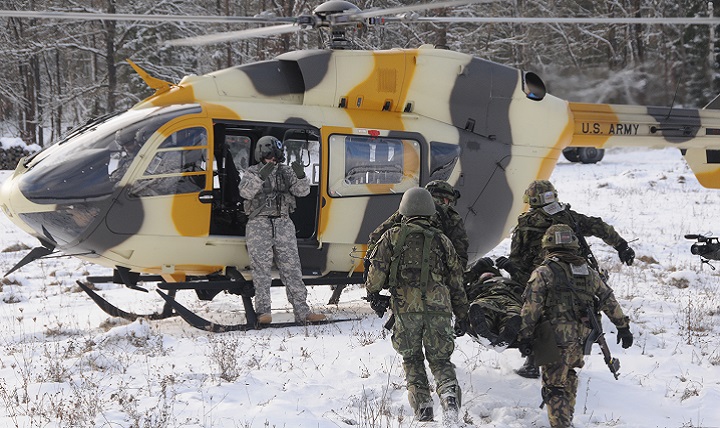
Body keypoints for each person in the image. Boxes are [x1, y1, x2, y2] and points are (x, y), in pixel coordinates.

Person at [499, 179, 635, 378]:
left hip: (543, 276)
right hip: (579, 274)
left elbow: (517, 258)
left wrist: (516, 273)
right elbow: (598, 226)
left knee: (536, 310)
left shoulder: (525, 224)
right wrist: (622, 246)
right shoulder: (568, 217)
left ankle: (532, 361)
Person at [365, 187, 469, 422]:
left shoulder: (392, 236)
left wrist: (373, 294)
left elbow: (376, 275)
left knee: (411, 358)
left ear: (404, 208)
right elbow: (457, 281)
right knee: (441, 360)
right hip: (439, 309)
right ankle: (449, 396)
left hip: (405, 309)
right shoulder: (443, 240)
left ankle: (423, 405)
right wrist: (462, 314)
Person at [516, 224, 633, 428]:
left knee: (553, 386)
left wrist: (524, 336)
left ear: (548, 245)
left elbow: (531, 306)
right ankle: (566, 421)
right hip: (581, 337)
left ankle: (561, 425)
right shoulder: (588, 271)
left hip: (554, 337)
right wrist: (623, 326)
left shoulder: (544, 272)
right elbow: (607, 298)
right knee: (569, 376)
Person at [238, 136, 325, 325]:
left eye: (275, 157)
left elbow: (303, 192)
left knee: (292, 268)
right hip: (258, 225)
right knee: (261, 269)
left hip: (283, 223)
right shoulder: (252, 172)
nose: (272, 161)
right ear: (261, 155)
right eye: (269, 157)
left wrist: (301, 176)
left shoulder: (285, 172)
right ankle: (263, 312)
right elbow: (245, 192)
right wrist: (261, 176)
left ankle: (302, 311)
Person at [367, 180, 469, 268]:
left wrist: (370, 261)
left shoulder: (407, 208)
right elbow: (460, 254)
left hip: (402, 277)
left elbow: (378, 234)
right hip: (436, 282)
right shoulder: (450, 215)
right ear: (447, 199)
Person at [464, 258, 524, 349]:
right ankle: (483, 330)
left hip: (511, 300)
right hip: (487, 299)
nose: (490, 274)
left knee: (513, 315)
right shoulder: (475, 288)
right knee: (481, 310)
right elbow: (456, 285)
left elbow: (531, 283)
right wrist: (474, 270)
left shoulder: (510, 282)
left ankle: (505, 338)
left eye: (493, 273)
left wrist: (513, 269)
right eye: (485, 274)